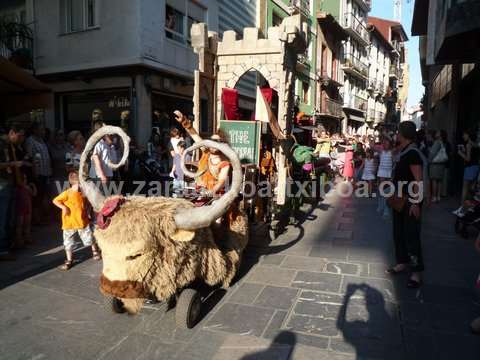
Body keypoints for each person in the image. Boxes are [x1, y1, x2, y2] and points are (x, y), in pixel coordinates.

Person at [386, 121, 425, 289]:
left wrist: (416, 203)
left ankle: (416, 273)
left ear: (402, 134)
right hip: (399, 198)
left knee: (411, 236)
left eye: (398, 132)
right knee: (398, 232)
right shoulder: (404, 151)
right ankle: (402, 262)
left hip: (410, 200)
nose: (396, 134)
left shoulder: (413, 154)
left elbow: (418, 180)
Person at [53, 171, 101, 270]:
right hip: (69, 223)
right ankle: (69, 259)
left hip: (82, 221)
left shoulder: (83, 194)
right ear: (77, 183)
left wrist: (88, 212)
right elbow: (55, 200)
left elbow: (86, 204)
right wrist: (63, 208)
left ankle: (95, 250)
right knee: (68, 243)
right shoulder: (67, 193)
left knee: (89, 238)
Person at [174, 111, 230, 197]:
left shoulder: (224, 162)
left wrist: (211, 192)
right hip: (200, 193)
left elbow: (221, 181)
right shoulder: (206, 152)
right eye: (212, 141)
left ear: (222, 144)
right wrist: (184, 122)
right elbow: (195, 136)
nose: (214, 144)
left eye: (217, 142)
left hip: (216, 199)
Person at [0, 124, 29, 260]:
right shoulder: (2, 145)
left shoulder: (11, 146)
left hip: (11, 183)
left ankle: (9, 245)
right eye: (19, 135)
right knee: (3, 217)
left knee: (10, 217)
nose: (21, 139)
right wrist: (13, 164)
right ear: (12, 132)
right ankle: (3, 249)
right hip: (2, 184)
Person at [25, 122, 52, 225]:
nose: (43, 131)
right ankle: (37, 220)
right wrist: (34, 173)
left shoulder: (42, 141)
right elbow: (30, 157)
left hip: (46, 173)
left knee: (44, 196)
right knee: (38, 197)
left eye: (43, 130)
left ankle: (42, 218)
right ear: (35, 130)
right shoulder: (30, 141)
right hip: (38, 173)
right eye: (41, 129)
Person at [89, 121, 116, 187]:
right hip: (99, 177)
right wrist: (101, 175)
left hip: (108, 175)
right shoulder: (99, 144)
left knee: (106, 195)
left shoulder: (110, 145)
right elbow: (95, 158)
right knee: (100, 196)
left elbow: (113, 161)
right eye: (105, 129)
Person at [14, 170, 36, 248]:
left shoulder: (27, 187)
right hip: (20, 209)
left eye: (25, 178)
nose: (24, 180)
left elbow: (34, 194)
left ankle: (27, 238)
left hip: (27, 208)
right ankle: (19, 240)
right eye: (23, 178)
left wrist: (33, 186)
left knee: (27, 224)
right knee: (19, 225)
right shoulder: (17, 189)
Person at [458, 130, 479, 204]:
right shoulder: (476, 144)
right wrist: (465, 151)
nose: (463, 136)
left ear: (468, 135)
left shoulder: (468, 144)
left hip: (469, 167)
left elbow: (468, 159)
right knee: (471, 189)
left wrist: (460, 153)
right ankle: (468, 207)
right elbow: (474, 156)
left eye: (464, 134)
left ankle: (462, 207)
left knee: (465, 188)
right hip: (476, 167)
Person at [428, 130, 448, 203]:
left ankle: (434, 197)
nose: (436, 133)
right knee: (439, 181)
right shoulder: (443, 142)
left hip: (435, 165)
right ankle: (438, 196)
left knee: (434, 181)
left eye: (438, 132)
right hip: (441, 164)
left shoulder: (437, 142)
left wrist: (429, 161)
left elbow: (432, 154)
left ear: (440, 135)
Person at [377, 138, 394, 219]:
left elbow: (394, 162)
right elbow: (372, 146)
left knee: (388, 191)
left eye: (387, 144)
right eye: (384, 144)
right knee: (381, 189)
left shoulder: (392, 152)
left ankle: (386, 208)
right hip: (382, 172)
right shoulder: (381, 152)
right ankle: (381, 205)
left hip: (389, 172)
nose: (386, 145)